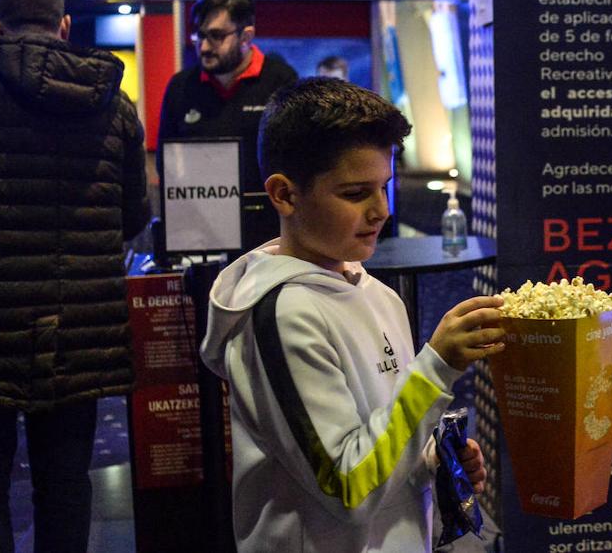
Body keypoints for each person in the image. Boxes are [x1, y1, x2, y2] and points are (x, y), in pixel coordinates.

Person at [200, 77, 505, 552]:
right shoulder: (281, 313)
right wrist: (436, 367)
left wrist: (431, 461)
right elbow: (348, 486)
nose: (380, 209)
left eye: (383, 187)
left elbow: (376, 438)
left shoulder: (378, 295)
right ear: (284, 194)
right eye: (355, 192)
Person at [0, 0, 149, 552]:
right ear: (64, 26)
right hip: (80, 325)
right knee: (66, 480)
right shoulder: (113, 103)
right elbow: (133, 217)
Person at [157, 0, 297, 251]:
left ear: (246, 36)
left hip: (269, 237)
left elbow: (295, 162)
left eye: (216, 36)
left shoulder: (280, 81)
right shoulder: (180, 87)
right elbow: (168, 167)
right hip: (199, 235)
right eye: (199, 35)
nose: (205, 46)